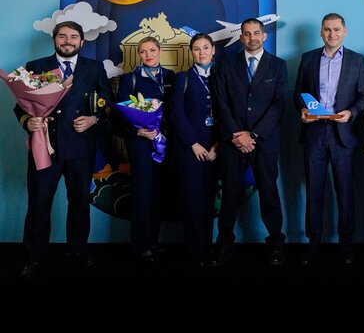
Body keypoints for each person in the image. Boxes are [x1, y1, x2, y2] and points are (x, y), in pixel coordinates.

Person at [14, 21, 112, 281]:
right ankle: (33, 257)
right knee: (38, 204)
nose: (68, 41)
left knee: (79, 203)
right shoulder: (36, 66)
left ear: (82, 41)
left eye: (73, 36)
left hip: (80, 147)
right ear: (54, 39)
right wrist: (28, 122)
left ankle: (77, 251)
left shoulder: (94, 68)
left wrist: (94, 118)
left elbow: (107, 102)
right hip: (45, 146)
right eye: (62, 36)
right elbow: (21, 106)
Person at [210, 18, 287, 267]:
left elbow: (278, 104)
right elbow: (220, 102)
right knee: (229, 195)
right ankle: (225, 244)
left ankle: (276, 244)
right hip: (232, 142)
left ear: (264, 36)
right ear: (241, 37)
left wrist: (253, 135)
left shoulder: (278, 65)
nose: (252, 37)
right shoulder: (226, 64)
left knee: (269, 194)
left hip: (263, 142)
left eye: (256, 33)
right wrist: (237, 134)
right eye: (247, 33)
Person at [294, 13, 364, 265]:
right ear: (321, 32)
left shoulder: (357, 60)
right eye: (327, 29)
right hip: (314, 132)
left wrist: (352, 113)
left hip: (342, 134)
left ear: (345, 31)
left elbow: (363, 96)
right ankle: (313, 243)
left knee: (345, 192)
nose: (332, 34)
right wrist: (302, 110)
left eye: (336, 29)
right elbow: (298, 92)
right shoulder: (308, 58)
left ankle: (346, 244)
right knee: (314, 191)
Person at [115, 36, 174, 262]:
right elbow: (120, 114)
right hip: (140, 142)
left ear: (159, 51)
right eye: (143, 51)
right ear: (138, 54)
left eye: (152, 50)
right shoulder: (130, 79)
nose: (148, 55)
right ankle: (140, 244)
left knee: (159, 190)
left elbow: (177, 109)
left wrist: (163, 131)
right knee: (142, 190)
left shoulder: (171, 77)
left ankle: (153, 241)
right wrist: (137, 131)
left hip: (165, 141)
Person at [170, 33, 218, 266]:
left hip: (216, 148)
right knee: (192, 199)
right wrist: (193, 144)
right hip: (191, 148)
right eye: (197, 49)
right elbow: (176, 114)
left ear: (213, 50)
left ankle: (207, 247)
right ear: (191, 53)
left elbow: (229, 111)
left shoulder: (222, 76)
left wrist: (217, 145)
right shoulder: (183, 78)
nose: (202, 52)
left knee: (209, 199)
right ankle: (194, 251)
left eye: (206, 47)